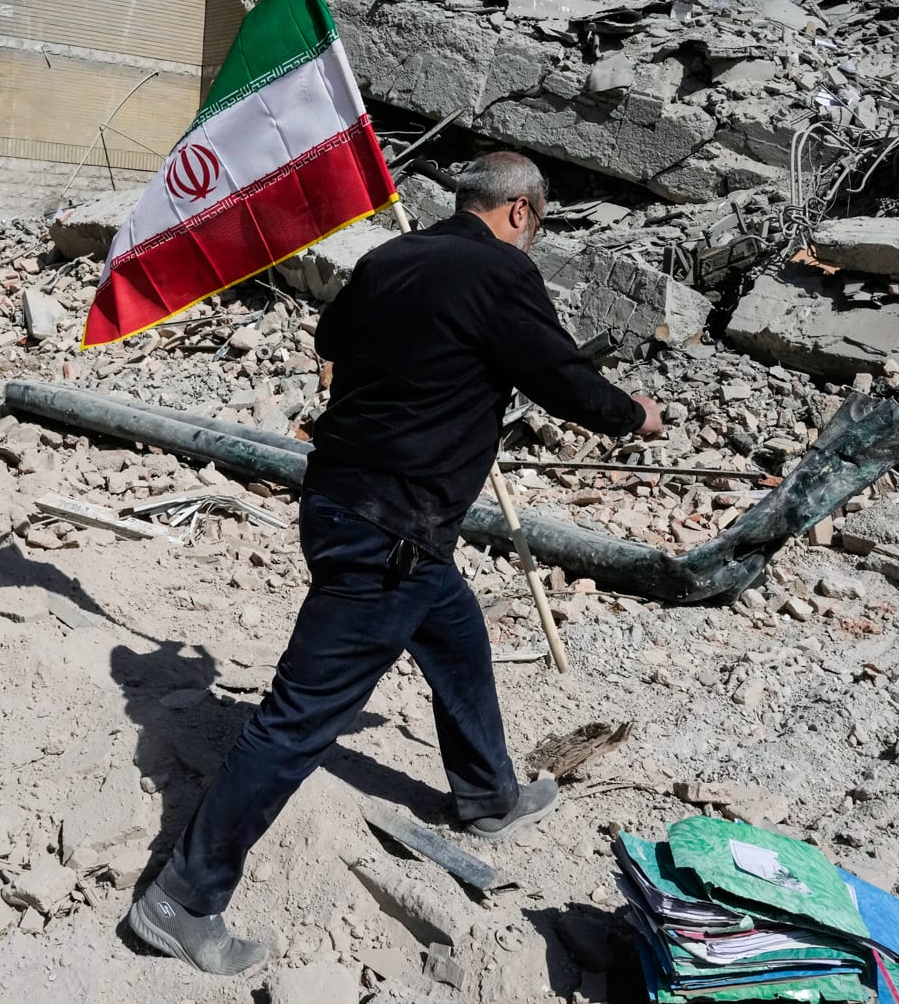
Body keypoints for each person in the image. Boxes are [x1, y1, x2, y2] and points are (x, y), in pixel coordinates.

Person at [127, 151, 663, 975]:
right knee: (298, 717)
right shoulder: (500, 273)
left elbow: (332, 336)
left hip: (342, 503)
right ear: (520, 210)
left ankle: (489, 796)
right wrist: (633, 415)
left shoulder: (388, 257)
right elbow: (560, 375)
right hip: (392, 532)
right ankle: (181, 898)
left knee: (453, 626)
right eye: (538, 223)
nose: (532, 236)